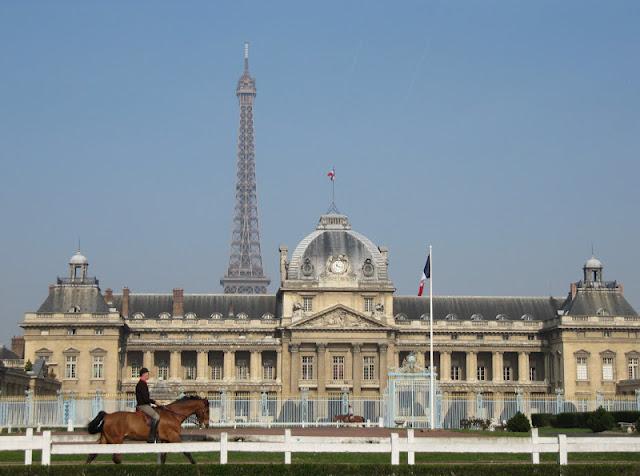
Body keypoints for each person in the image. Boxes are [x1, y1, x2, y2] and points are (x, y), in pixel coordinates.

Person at [136, 367, 160, 443]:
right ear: (143, 374)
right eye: (147, 374)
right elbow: (146, 399)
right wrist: (155, 402)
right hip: (143, 406)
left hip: (145, 405)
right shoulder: (141, 384)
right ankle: (151, 436)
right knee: (156, 416)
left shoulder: (143, 383)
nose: (148, 375)